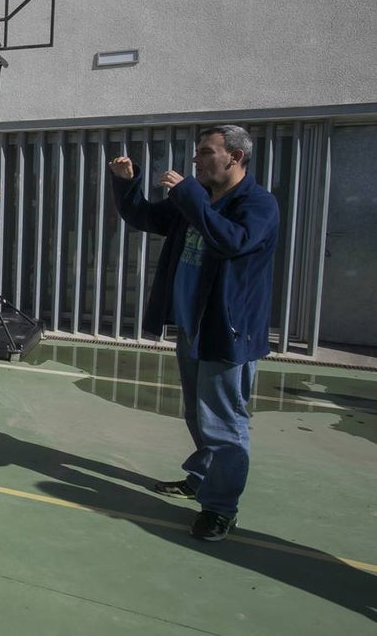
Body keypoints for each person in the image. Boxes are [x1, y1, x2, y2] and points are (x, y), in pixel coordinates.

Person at [109, 124, 279, 542]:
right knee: (196, 415)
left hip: (227, 332)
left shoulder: (257, 204)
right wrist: (126, 185)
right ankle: (202, 478)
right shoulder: (197, 199)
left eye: (206, 152)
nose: (196, 160)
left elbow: (231, 242)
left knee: (223, 423)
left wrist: (189, 196)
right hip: (192, 328)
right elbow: (144, 216)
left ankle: (221, 509)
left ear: (235, 157)